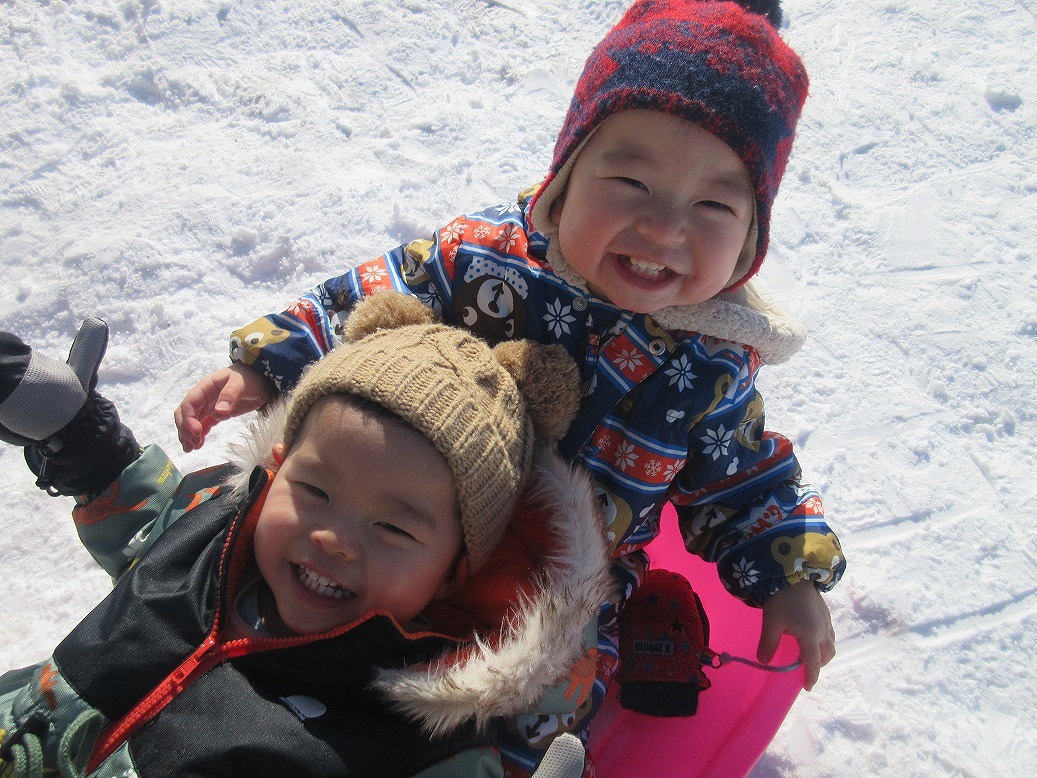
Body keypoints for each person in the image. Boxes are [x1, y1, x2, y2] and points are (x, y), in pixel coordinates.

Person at [174, 0, 847, 771]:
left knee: (542, 689)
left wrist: (788, 573)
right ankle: (184, 666)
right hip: (397, 506)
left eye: (712, 205)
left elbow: (745, 472)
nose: (664, 228)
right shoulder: (483, 257)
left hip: (556, 580)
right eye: (629, 180)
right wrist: (267, 362)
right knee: (239, 534)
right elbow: (369, 298)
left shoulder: (710, 362)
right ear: (565, 175)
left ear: (751, 238)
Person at [0, 293, 611, 778]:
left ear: (455, 570)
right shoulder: (215, 534)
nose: (335, 538)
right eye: (314, 491)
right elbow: (148, 523)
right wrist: (84, 439)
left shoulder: (416, 744)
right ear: (278, 466)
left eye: (394, 527)